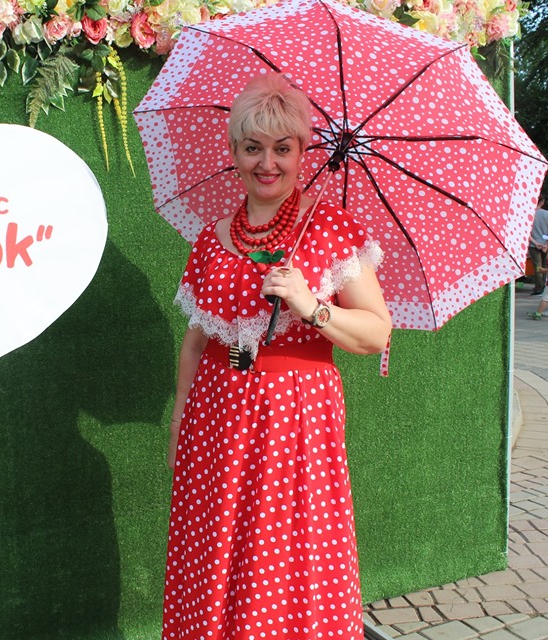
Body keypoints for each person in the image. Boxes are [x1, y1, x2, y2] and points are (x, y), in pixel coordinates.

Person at [166, 72, 392, 639]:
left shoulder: (332, 230)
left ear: (301, 153)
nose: (267, 163)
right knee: (214, 549)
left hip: (294, 418)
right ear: (234, 154)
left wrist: (311, 306)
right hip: (215, 416)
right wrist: (178, 422)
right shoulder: (211, 238)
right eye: (253, 148)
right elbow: (196, 341)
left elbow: (376, 333)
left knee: (284, 556)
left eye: (282, 149)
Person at [528, 196, 548, 295]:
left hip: (533, 244)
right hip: (546, 244)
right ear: (542, 202)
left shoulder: (529, 214)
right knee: (545, 265)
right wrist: (547, 243)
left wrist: (535, 243)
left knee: (537, 266)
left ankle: (539, 287)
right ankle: (544, 285)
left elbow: (526, 232)